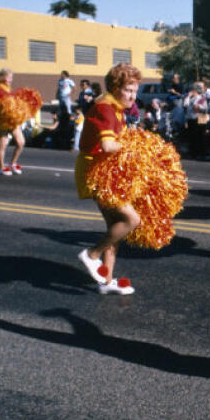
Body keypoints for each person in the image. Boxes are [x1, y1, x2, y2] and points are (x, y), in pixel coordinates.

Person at [74, 63, 144, 295]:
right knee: (131, 220)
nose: (133, 96)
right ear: (116, 87)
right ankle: (91, 254)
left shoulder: (112, 107)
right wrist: (134, 146)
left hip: (103, 166)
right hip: (96, 169)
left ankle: (106, 282)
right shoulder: (106, 108)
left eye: (135, 91)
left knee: (116, 226)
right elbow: (107, 145)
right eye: (128, 90)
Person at [0, 68, 26, 176]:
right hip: (2, 120)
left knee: (21, 142)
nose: (11, 79)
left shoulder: (10, 90)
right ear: (2, 78)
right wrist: (4, 103)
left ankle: (12, 163)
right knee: (3, 144)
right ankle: (1, 167)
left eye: (11, 77)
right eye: (9, 77)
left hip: (13, 120)